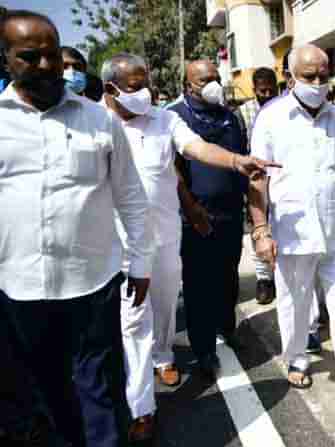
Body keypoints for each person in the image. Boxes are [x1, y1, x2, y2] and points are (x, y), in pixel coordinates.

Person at [101, 53, 275, 441]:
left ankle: (163, 355)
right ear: (110, 89)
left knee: (163, 306)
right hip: (117, 240)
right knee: (132, 319)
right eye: (134, 87)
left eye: (146, 83)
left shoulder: (165, 119)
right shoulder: (95, 121)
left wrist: (235, 161)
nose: (145, 93)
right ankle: (141, 407)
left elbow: (196, 148)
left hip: (163, 235)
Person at [0, 10, 153, 447]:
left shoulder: (99, 120)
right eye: (30, 57)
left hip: (92, 286)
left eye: (52, 55)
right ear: (6, 58)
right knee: (45, 397)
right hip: (19, 290)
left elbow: (130, 197)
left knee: (98, 391)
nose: (47, 66)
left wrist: (140, 263)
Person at [248, 44, 335, 416]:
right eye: (309, 77)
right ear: (290, 77)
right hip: (293, 228)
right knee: (295, 301)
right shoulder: (271, 118)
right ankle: (297, 359)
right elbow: (257, 181)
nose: (318, 83)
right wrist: (261, 230)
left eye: (324, 76)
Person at [169, 60, 251, 377]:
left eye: (216, 77)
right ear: (188, 85)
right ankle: (203, 349)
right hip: (196, 216)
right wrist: (190, 207)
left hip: (231, 214)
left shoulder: (230, 117)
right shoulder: (176, 117)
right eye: (205, 80)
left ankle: (227, 328)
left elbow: (241, 162)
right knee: (199, 285)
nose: (213, 84)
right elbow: (174, 171)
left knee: (228, 277)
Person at [238, 67, 280, 305]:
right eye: (261, 91)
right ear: (254, 90)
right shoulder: (243, 113)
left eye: (270, 90)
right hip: (255, 183)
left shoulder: (286, 108)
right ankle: (264, 280)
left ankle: (281, 276)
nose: (266, 94)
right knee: (259, 230)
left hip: (281, 181)